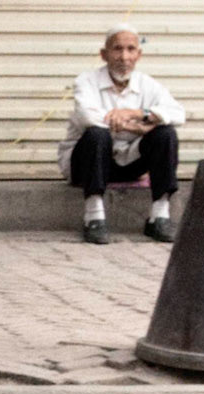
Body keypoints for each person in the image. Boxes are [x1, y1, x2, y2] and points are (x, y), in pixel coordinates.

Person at [59, 28, 185, 245]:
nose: (124, 57)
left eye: (130, 49)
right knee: (97, 134)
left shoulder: (147, 84)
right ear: (104, 54)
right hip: (86, 166)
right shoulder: (86, 81)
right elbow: (88, 116)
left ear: (139, 55)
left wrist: (137, 114)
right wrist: (138, 128)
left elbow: (178, 114)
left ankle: (159, 215)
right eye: (117, 49)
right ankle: (94, 217)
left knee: (165, 133)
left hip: (127, 163)